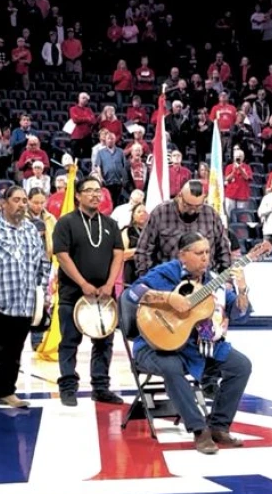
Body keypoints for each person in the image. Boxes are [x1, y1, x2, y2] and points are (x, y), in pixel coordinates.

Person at [126, 231, 252, 454]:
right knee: (170, 366)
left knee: (241, 366)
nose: (205, 257)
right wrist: (168, 298)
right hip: (155, 343)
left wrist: (242, 288)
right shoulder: (167, 273)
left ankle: (219, 427)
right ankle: (199, 430)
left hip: (198, 345)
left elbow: (240, 313)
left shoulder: (214, 281)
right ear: (183, 255)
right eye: (199, 253)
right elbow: (133, 294)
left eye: (207, 252)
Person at [0, 185, 50, 413]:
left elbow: (42, 262)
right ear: (4, 203)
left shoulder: (31, 230)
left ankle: (6, 390)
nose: (22, 204)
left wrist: (42, 294)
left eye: (24, 201)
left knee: (15, 351)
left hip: (24, 303)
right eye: (17, 200)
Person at [51, 174, 125, 407]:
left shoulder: (111, 223)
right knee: (70, 342)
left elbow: (118, 254)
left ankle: (101, 387)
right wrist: (82, 283)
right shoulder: (66, 222)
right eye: (90, 190)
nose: (95, 194)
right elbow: (62, 255)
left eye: (98, 190)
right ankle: (68, 388)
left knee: (104, 342)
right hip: (74, 294)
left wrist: (110, 283)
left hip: (104, 295)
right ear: (78, 195)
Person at [135, 179, 234, 276]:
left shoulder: (211, 214)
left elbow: (224, 250)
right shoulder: (160, 213)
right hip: (168, 281)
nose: (192, 211)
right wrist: (148, 280)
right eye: (188, 206)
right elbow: (143, 250)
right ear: (179, 196)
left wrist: (226, 280)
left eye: (197, 207)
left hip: (206, 281)